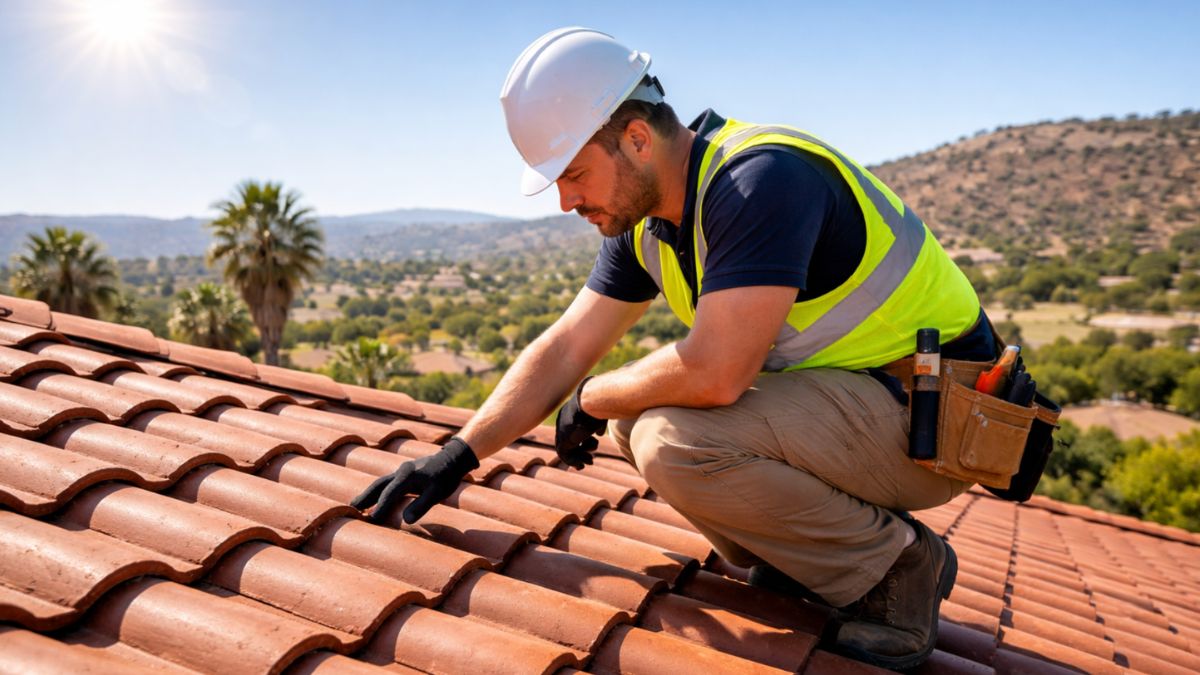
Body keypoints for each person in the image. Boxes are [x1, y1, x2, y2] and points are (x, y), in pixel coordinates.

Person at [353, 27, 998, 670]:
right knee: (635, 420)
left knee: (668, 436)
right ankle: (806, 557)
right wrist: (457, 454)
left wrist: (592, 396)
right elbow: (569, 345)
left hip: (938, 421)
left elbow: (715, 374)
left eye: (574, 173)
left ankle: (899, 569)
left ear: (636, 137)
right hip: (866, 409)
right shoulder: (648, 223)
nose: (565, 200)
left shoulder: (759, 180)